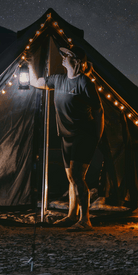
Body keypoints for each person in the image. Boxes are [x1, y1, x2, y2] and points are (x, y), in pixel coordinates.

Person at [29, 46, 104, 231]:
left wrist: (98, 135)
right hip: (66, 135)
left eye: (67, 56)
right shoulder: (59, 79)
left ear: (77, 61)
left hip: (83, 135)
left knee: (78, 176)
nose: (62, 58)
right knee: (71, 177)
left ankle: (85, 220)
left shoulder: (85, 83)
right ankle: (71, 217)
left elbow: (99, 110)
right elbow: (36, 82)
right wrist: (29, 63)